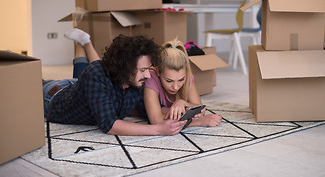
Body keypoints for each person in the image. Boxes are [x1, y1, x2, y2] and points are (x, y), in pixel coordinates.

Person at [42, 28, 187, 136]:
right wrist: (157, 130)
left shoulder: (135, 82)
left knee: (81, 79)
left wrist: (179, 110)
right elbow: (109, 125)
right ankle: (82, 44)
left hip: (79, 88)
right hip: (54, 95)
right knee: (32, 85)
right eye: (143, 70)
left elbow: (150, 109)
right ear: (126, 67)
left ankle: (81, 43)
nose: (148, 75)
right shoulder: (96, 74)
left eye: (149, 69)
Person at [144, 38, 222, 128]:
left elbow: (199, 107)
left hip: (162, 109)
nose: (176, 87)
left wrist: (182, 103)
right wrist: (198, 122)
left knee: (170, 111)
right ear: (157, 72)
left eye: (181, 80)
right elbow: (156, 121)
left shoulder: (187, 75)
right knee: (166, 111)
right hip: (139, 109)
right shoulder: (151, 78)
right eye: (169, 81)